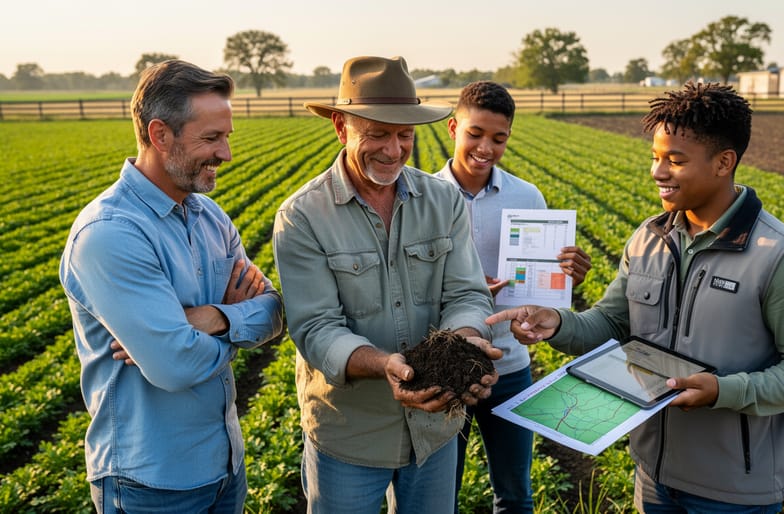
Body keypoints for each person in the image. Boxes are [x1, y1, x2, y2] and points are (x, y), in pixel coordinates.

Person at [487, 82, 784, 512]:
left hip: (734, 492)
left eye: (675, 161)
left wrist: (723, 391)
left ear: (724, 163)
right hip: (653, 477)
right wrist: (557, 323)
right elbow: (612, 325)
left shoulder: (781, 258)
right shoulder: (648, 239)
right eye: (656, 157)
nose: (658, 172)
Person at [271, 56, 500, 514]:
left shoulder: (442, 201)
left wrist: (466, 341)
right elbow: (316, 327)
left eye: (405, 135)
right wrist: (384, 364)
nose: (393, 150)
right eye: (377, 133)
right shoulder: (302, 217)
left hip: (434, 432)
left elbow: (467, 293)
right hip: (349, 435)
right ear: (341, 126)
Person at [59, 59, 285, 513]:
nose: (226, 154)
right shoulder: (111, 233)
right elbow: (174, 366)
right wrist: (229, 328)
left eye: (227, 137)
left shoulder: (210, 216)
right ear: (160, 135)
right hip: (151, 483)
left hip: (226, 466)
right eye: (211, 138)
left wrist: (214, 319)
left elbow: (275, 312)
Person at [433, 80, 592, 513]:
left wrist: (568, 276)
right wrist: (464, 289)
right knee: (439, 492)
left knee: (516, 494)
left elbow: (546, 285)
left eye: (499, 138)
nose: (486, 147)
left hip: (511, 366)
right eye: (475, 134)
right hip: (447, 367)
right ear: (452, 128)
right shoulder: (424, 196)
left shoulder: (527, 196)